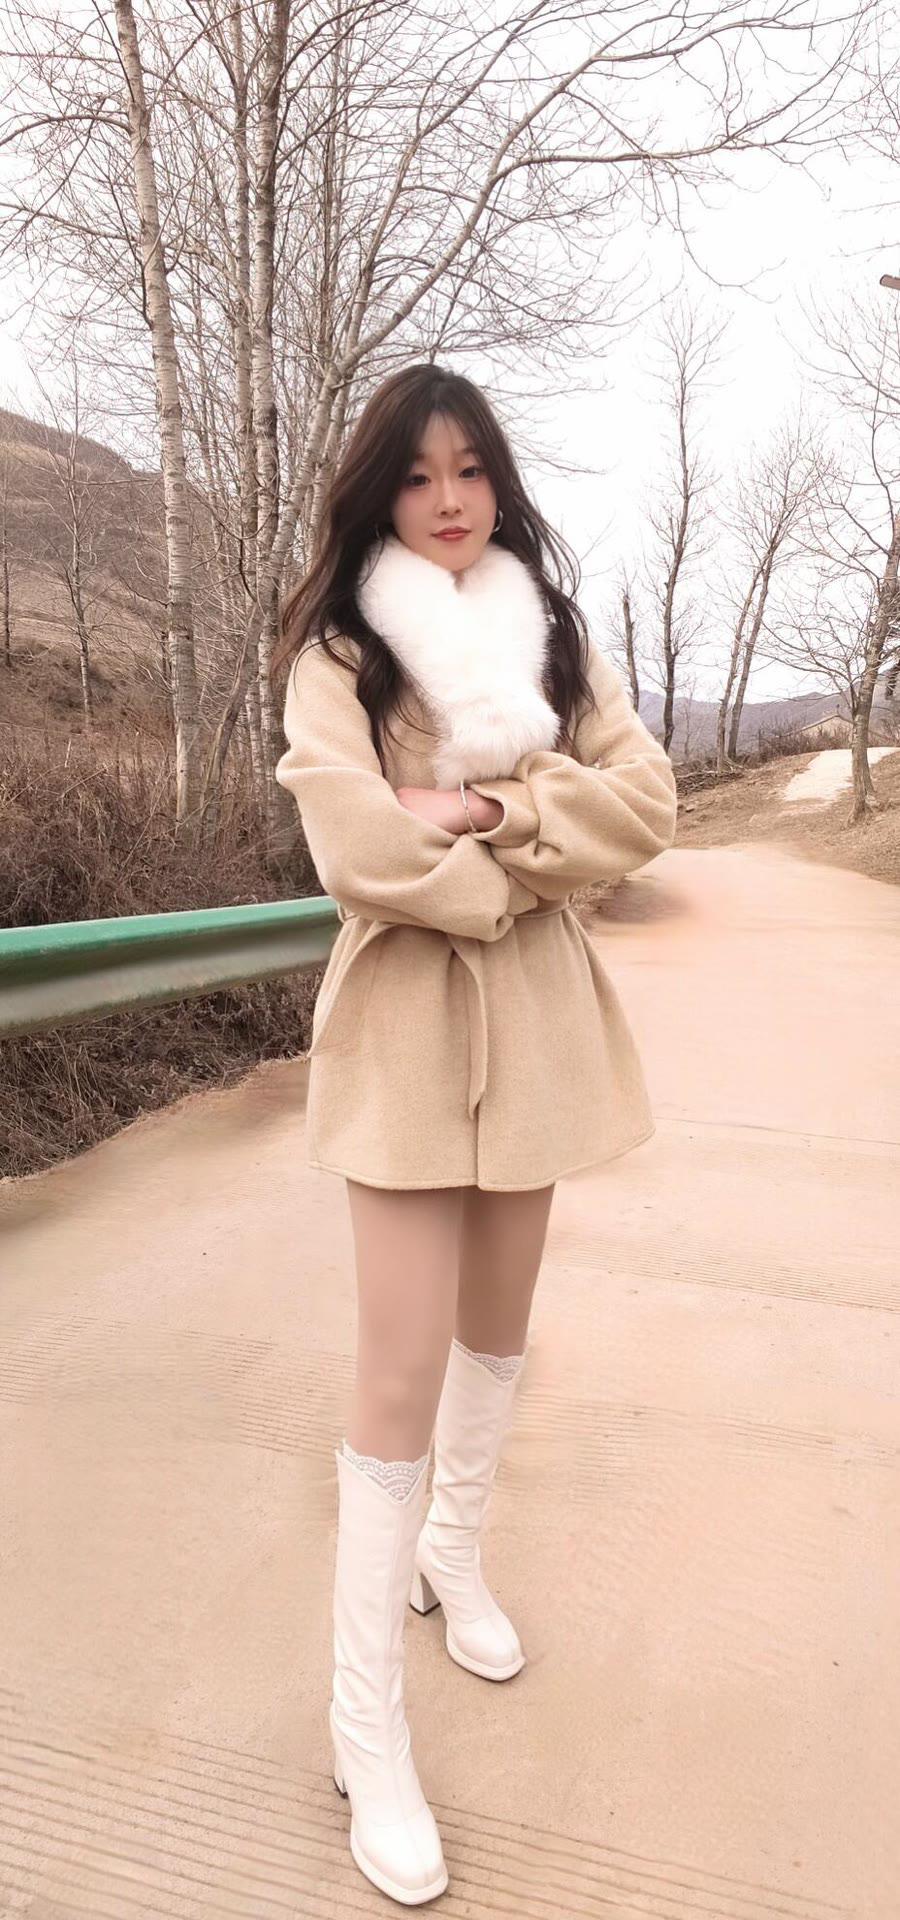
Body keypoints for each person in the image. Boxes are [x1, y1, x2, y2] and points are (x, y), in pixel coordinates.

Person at [273, 362, 678, 1905]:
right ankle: (363, 1724)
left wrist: (498, 812)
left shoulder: (553, 635)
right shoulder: (341, 650)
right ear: (379, 489)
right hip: (404, 1029)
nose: (448, 498)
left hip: (542, 1030)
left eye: (470, 469)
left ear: (496, 480)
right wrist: (523, 858)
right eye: (417, 472)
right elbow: (353, 844)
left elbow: (647, 806)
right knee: (394, 1370)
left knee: (500, 1331)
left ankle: (456, 1548)